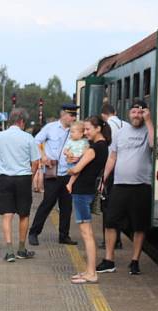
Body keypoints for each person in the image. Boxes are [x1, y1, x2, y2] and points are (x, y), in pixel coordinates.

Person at [97, 100, 155, 276]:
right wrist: (104, 178)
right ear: (129, 114)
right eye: (134, 112)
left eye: (140, 112)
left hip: (141, 185)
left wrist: (149, 121)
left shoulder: (149, 130)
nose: (136, 116)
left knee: (139, 226)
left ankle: (135, 261)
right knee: (111, 222)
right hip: (120, 184)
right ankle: (109, 260)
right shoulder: (120, 133)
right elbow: (112, 157)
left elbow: (153, 145)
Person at [0, 108, 40, 263]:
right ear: (22, 122)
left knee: (7, 215)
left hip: (5, 178)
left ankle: (9, 251)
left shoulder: (0, 136)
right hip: (23, 178)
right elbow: (36, 162)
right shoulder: (28, 137)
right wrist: (30, 177)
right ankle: (21, 249)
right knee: (24, 214)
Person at [66, 116, 111, 284]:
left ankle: (91, 273)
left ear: (98, 128)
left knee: (87, 234)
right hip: (87, 191)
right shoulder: (103, 146)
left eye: (87, 129)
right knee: (87, 233)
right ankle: (88, 270)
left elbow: (77, 169)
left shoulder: (94, 148)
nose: (85, 132)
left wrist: (69, 165)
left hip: (82, 192)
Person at [29, 104, 81, 246]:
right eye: (71, 115)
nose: (73, 118)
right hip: (52, 173)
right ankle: (34, 232)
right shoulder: (50, 128)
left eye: (74, 115)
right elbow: (36, 141)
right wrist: (43, 156)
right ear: (63, 114)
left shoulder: (75, 130)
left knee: (66, 207)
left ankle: (64, 235)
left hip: (68, 173)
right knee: (47, 203)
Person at [100, 103, 124, 250]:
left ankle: (108, 240)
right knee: (118, 205)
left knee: (107, 206)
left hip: (108, 169)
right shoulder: (126, 125)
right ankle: (119, 239)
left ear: (103, 115)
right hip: (123, 170)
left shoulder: (104, 127)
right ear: (114, 112)